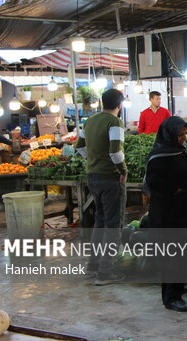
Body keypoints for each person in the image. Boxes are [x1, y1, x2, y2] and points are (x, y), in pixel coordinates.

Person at [143, 117, 187, 312]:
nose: (183, 138)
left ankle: (178, 287)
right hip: (170, 216)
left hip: (185, 214)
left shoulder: (178, 151)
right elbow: (154, 184)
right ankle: (171, 298)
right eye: (180, 134)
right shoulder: (160, 156)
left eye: (185, 134)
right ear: (169, 134)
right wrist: (176, 191)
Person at [75, 88, 128, 285]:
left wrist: (94, 159)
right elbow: (116, 152)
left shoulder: (90, 120)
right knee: (114, 225)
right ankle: (106, 272)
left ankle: (93, 264)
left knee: (100, 221)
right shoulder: (115, 122)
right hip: (110, 178)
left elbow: (79, 147)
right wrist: (123, 171)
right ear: (119, 105)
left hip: (93, 177)